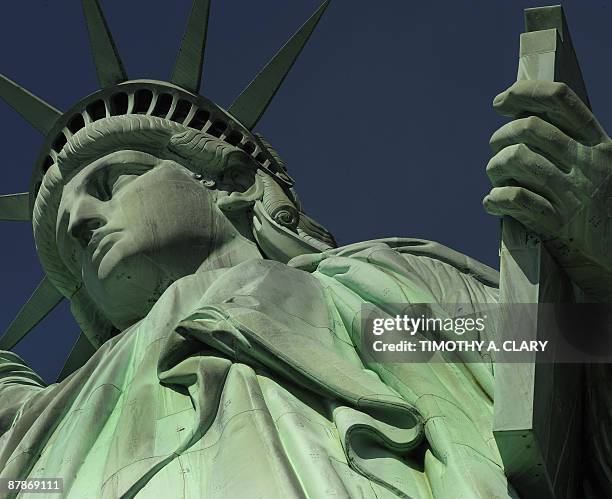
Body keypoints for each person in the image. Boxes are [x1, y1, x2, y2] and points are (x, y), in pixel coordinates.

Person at [1, 1, 611, 497]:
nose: (80, 220)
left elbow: (565, 395)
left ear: (233, 183)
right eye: (62, 235)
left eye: (112, 180)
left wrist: (599, 252)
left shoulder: (363, 303)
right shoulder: (49, 427)